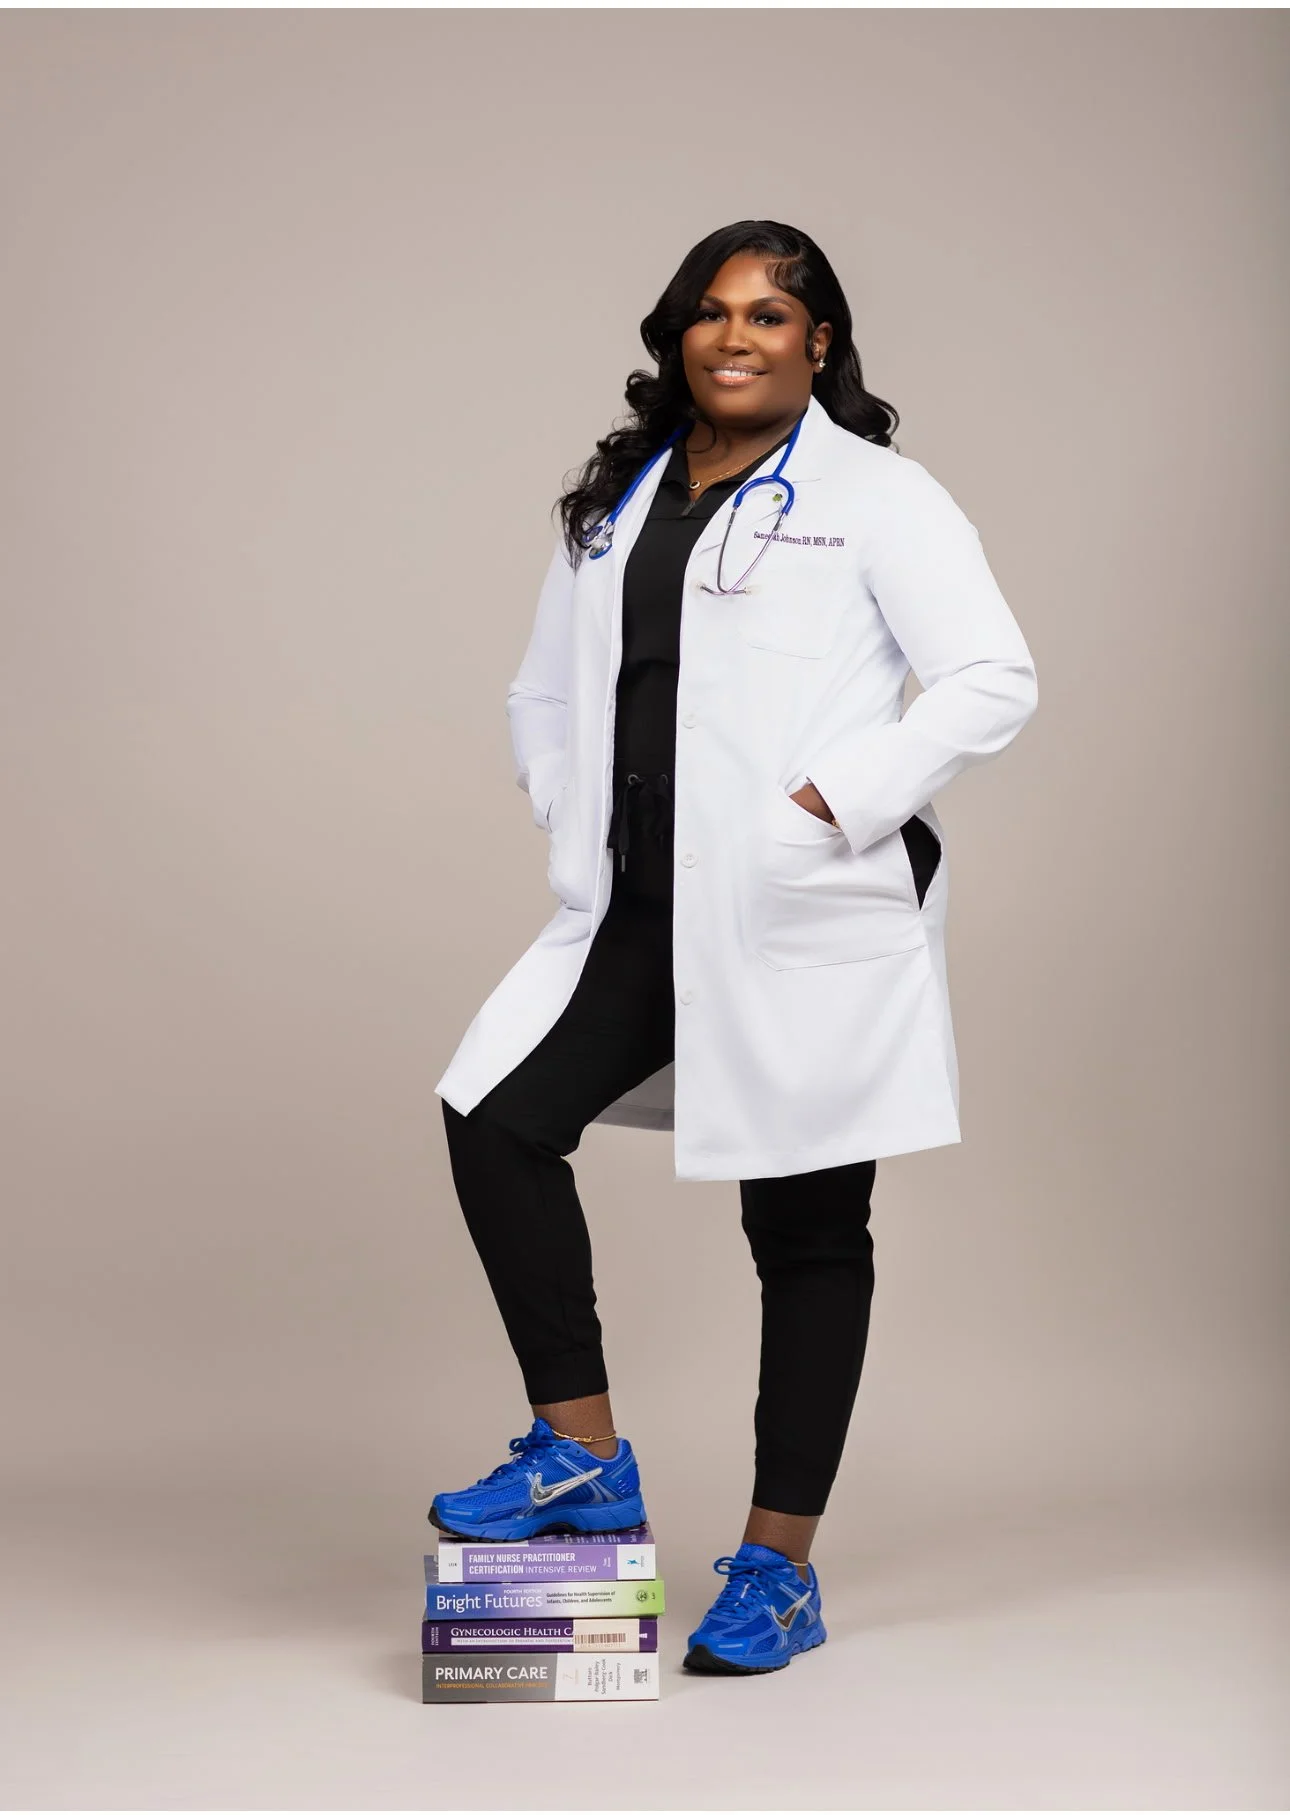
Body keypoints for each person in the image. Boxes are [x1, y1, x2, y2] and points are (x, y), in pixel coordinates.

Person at [431, 220, 1039, 1675]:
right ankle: (580, 1453)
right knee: (493, 1115)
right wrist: (561, 796)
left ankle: (776, 1570)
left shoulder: (879, 496)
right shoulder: (617, 498)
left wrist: (826, 804)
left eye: (772, 315)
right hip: (636, 904)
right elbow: (545, 689)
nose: (736, 336)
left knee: (806, 1228)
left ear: (819, 343)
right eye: (710, 312)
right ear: (675, 334)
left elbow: (990, 676)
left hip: (794, 908)